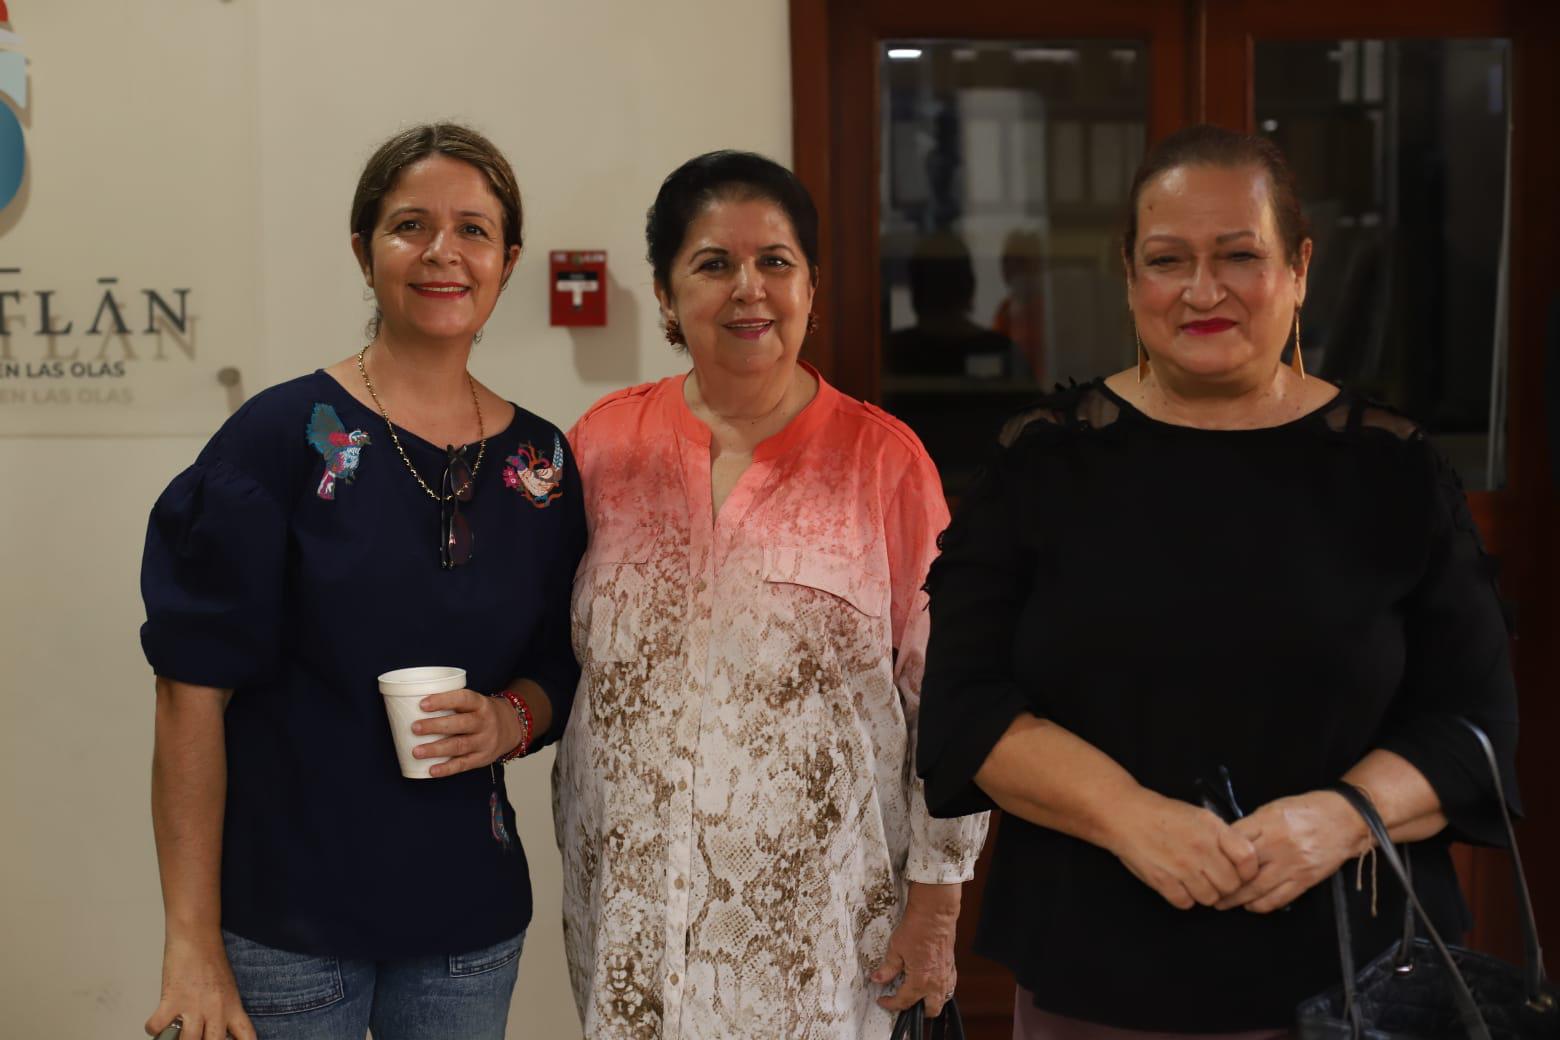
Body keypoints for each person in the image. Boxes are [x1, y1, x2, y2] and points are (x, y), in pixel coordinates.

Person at [916, 124, 1520, 1038]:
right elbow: (962, 707)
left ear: (1299, 268)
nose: (1204, 291)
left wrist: (1347, 816)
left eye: (1240, 255)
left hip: (1362, 978)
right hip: (1099, 971)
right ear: (1129, 274)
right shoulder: (1044, 464)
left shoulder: (1389, 467)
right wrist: (1128, 817)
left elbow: (1476, 722)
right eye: (1169, 260)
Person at [139, 123, 585, 1040]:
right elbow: (190, 695)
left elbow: (565, 662)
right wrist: (189, 941)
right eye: (409, 225)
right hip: (288, 926)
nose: (441, 253)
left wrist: (513, 718)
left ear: (507, 258)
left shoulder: (540, 460)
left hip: (471, 923)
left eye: (472, 229)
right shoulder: (279, 440)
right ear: (362, 250)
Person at [554, 150, 988, 1039]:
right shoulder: (600, 450)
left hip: (824, 947)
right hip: (632, 937)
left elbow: (951, 692)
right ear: (667, 295)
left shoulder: (884, 463)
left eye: (775, 263)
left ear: (812, 287)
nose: (749, 288)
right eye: (714, 264)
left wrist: (937, 908)